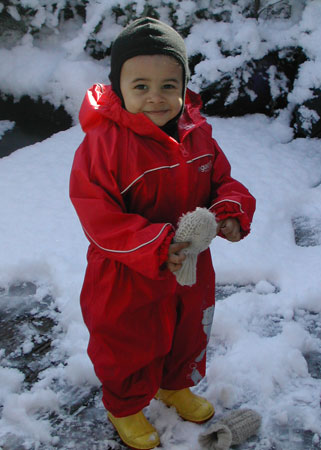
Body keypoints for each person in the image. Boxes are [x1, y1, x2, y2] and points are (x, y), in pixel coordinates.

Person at [69, 17, 256, 450]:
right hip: (127, 273)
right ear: (119, 87)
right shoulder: (104, 145)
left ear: (183, 86)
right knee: (128, 342)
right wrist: (156, 243)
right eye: (141, 86)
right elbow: (98, 215)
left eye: (169, 85)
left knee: (187, 331)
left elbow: (223, 181)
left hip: (189, 266)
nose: (156, 97)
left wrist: (229, 212)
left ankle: (173, 385)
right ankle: (126, 405)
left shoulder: (197, 133)